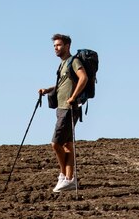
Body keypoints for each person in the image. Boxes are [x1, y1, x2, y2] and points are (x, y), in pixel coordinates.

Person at [39, 34, 88, 193]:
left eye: (59, 45)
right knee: (67, 145)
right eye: (54, 46)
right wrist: (48, 90)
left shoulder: (74, 61)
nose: (56, 48)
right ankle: (69, 179)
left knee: (56, 143)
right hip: (61, 108)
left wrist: (73, 97)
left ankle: (64, 176)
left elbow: (84, 78)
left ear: (67, 46)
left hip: (69, 109)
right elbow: (62, 84)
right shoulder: (62, 64)